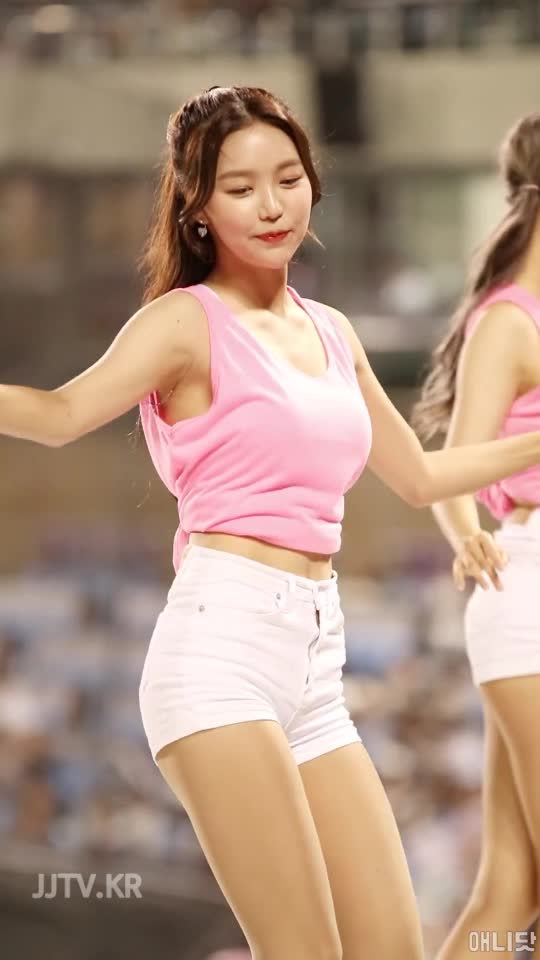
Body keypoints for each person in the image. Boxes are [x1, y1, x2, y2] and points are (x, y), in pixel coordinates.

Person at [4, 86, 540, 960]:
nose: (270, 204)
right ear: (198, 208)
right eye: (240, 187)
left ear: (313, 185)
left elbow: (422, 477)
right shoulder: (185, 322)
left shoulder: (332, 331)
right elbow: (62, 415)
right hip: (221, 653)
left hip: (317, 667)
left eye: (287, 179)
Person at [411, 111, 540, 960]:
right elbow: (452, 467)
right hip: (527, 587)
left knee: (511, 891)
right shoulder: (510, 323)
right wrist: (464, 532)